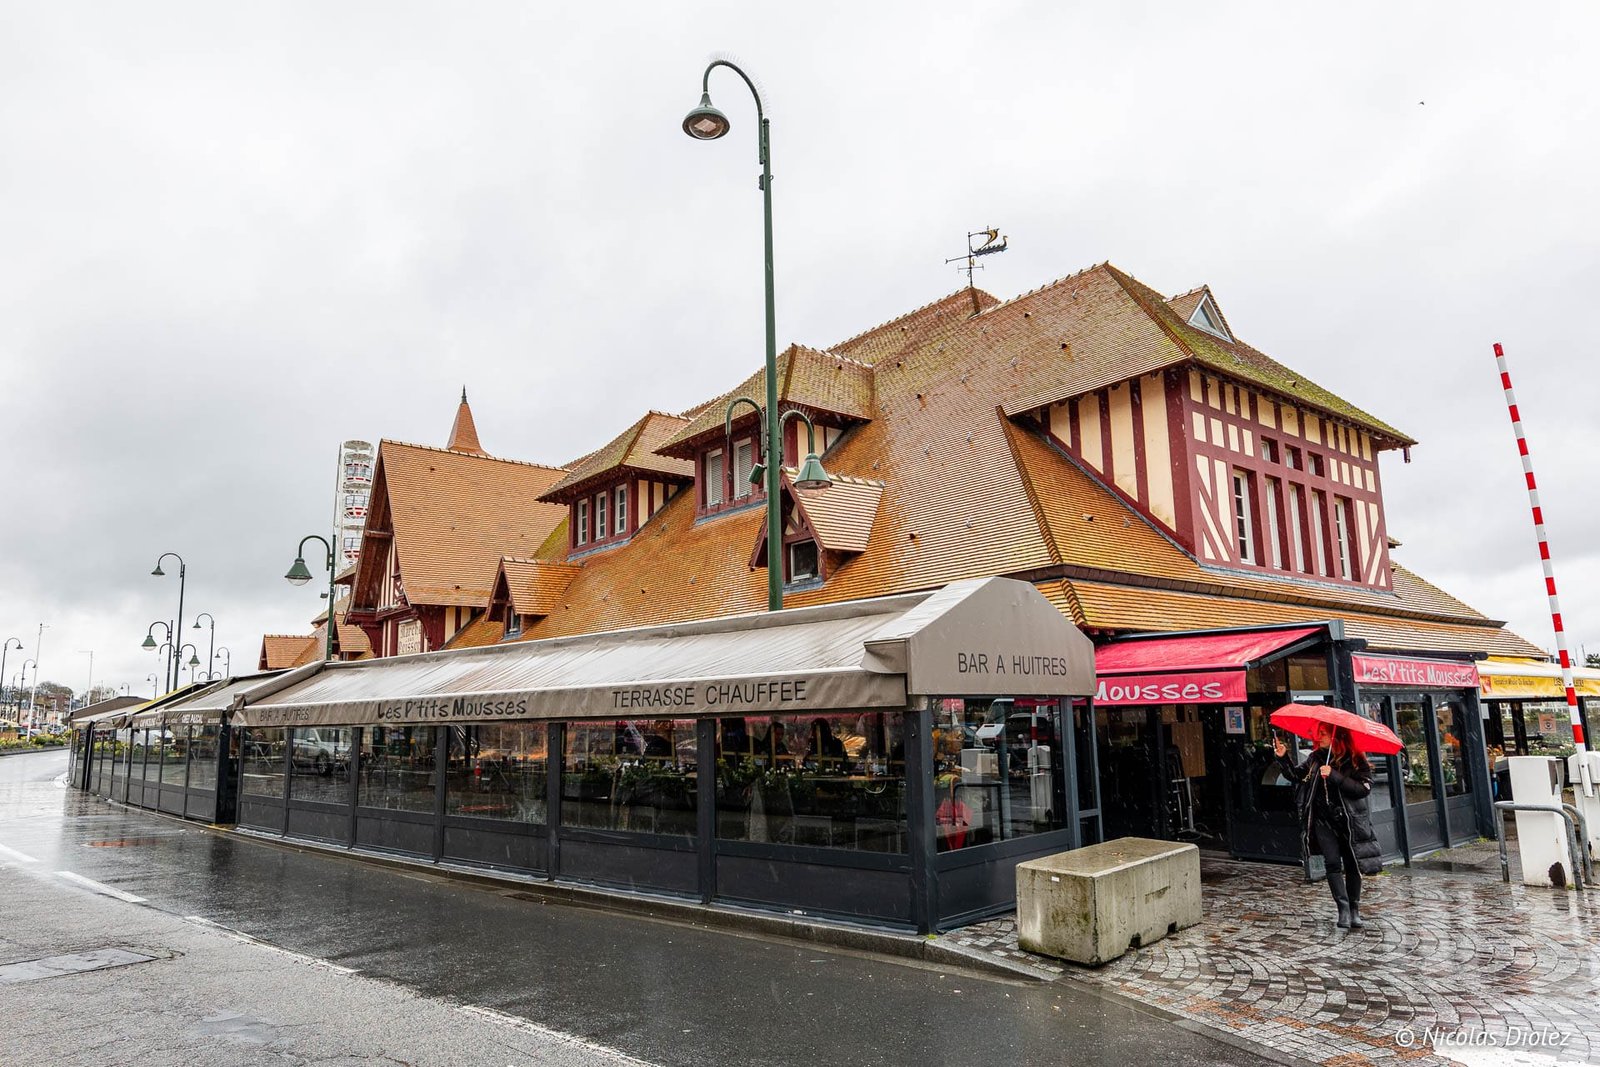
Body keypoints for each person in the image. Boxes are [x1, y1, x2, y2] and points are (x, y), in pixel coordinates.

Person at [1274, 724, 1381, 930]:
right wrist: (1283, 758)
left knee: (1351, 863)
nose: (1318, 737)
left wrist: (1334, 775)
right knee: (1332, 862)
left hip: (1349, 822)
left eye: (1323, 734)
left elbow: (1362, 789)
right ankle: (1342, 909)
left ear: (1336, 737)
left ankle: (1354, 908)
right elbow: (1296, 776)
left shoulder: (1357, 760)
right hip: (1323, 821)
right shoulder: (1316, 758)